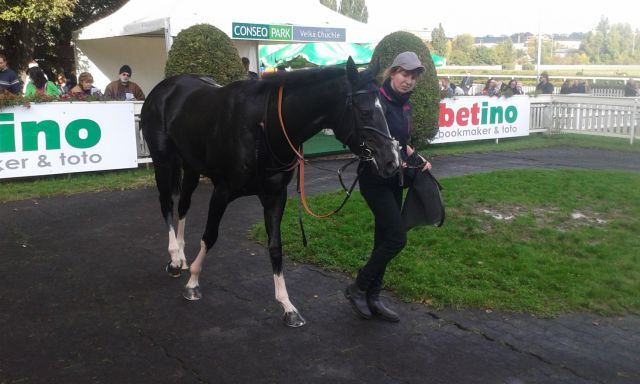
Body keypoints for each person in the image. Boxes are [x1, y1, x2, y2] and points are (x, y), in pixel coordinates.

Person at [344, 51, 432, 323]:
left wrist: (416, 158)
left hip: (396, 179)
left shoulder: (405, 105)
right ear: (393, 72)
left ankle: (373, 297)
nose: (409, 81)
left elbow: (400, 141)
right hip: (374, 180)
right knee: (396, 238)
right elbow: (365, 139)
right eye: (405, 74)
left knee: (383, 240)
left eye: (413, 77)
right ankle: (358, 287)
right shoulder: (376, 100)